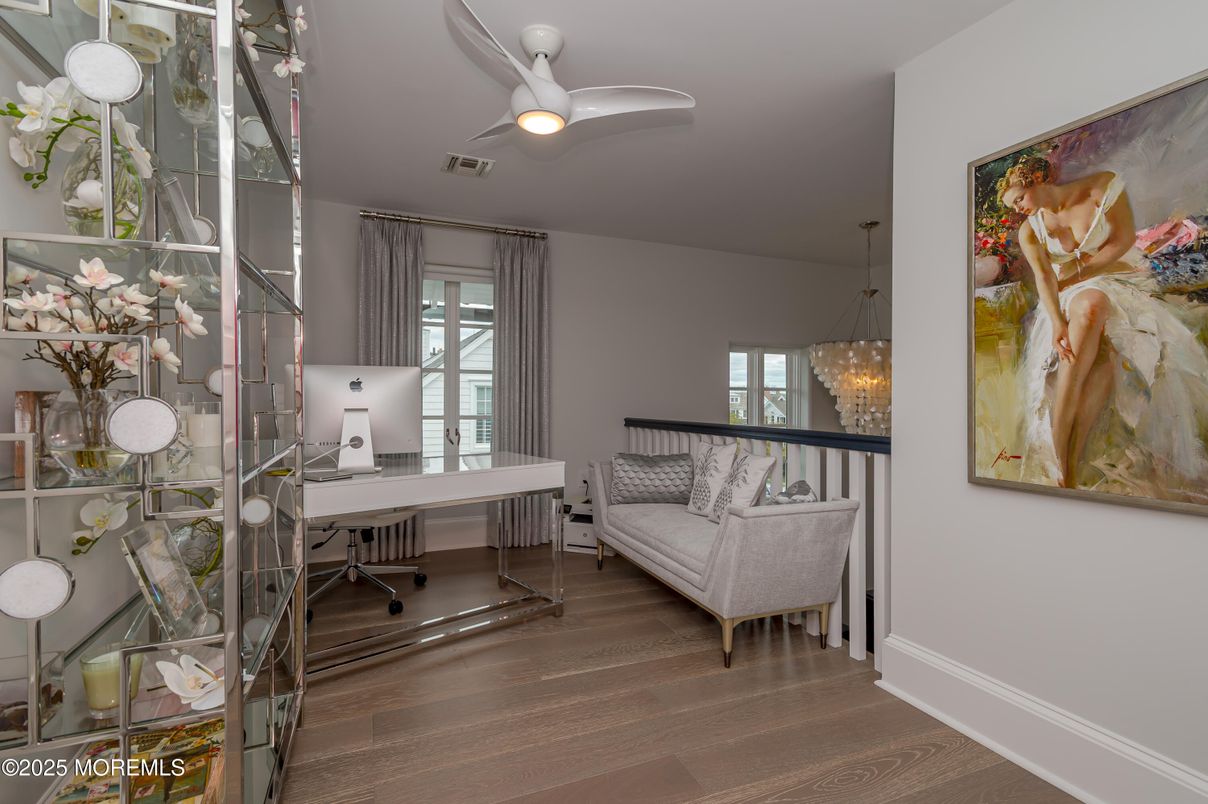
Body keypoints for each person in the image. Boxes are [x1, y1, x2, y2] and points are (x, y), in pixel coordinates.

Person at [998, 155, 1208, 497]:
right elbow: (1045, 278)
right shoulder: (1030, 230)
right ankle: (1061, 461)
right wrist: (1055, 323)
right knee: (1088, 325)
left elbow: (1121, 241)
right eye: (1013, 204)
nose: (1018, 208)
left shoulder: (1101, 187)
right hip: (1065, 295)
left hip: (1117, 276)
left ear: (1037, 178)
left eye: (1019, 198)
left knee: (1104, 353)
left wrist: (1078, 276)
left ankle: (1072, 455)